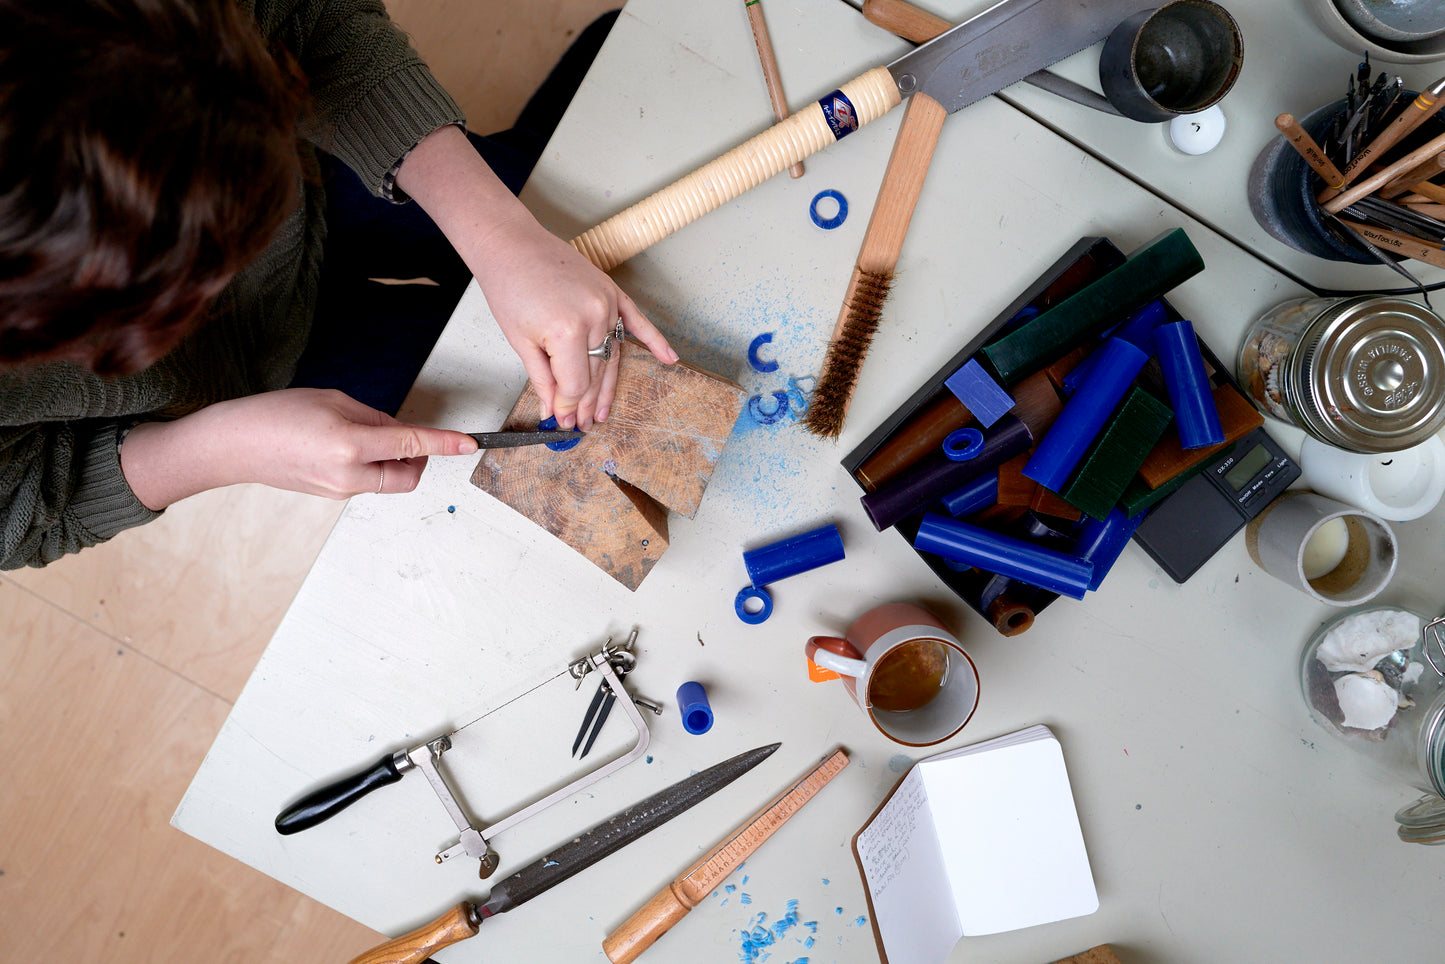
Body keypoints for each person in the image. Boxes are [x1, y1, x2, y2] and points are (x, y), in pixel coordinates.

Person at [0, 0, 676, 569]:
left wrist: (501, 234)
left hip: (311, 174)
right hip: (239, 390)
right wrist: (219, 449)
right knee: (530, 420)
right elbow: (21, 511)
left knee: (590, 236)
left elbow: (308, 14)